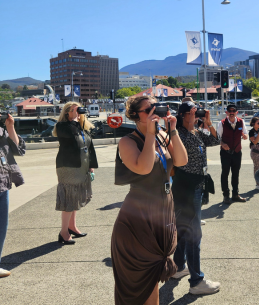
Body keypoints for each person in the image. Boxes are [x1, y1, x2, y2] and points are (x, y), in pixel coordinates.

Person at [111, 96, 188, 305]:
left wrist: (172, 129)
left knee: (153, 280)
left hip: (162, 209)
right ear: (136, 116)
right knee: (138, 287)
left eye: (157, 107)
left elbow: (181, 161)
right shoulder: (128, 141)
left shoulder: (163, 135)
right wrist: (151, 135)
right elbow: (144, 168)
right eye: (149, 109)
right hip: (137, 218)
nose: (155, 112)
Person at [171, 101, 221, 295]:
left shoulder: (197, 132)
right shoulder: (180, 134)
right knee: (194, 234)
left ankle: (177, 267)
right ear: (184, 115)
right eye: (193, 111)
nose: (197, 113)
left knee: (185, 230)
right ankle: (196, 281)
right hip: (187, 187)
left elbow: (216, 141)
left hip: (197, 185)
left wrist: (208, 122)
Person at [53, 102, 98, 245]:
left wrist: (91, 166)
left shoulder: (81, 127)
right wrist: (74, 118)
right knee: (69, 198)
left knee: (76, 196)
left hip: (81, 166)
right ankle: (63, 232)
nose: (79, 112)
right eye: (75, 110)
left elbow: (89, 147)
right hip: (68, 168)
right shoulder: (63, 127)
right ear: (67, 112)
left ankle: (72, 227)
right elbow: (71, 136)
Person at [0, 113, 25, 278]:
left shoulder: (2, 130)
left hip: (2, 181)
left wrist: (10, 126)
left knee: (2, 225)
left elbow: (18, 149)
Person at [217, 104, 248, 204]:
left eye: (233, 111)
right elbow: (217, 138)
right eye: (229, 111)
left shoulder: (241, 122)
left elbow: (246, 134)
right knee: (225, 174)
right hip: (225, 152)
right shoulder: (221, 123)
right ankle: (226, 195)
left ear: (236, 112)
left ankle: (235, 194)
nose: (231, 113)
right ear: (226, 112)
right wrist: (222, 143)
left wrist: (245, 135)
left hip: (237, 152)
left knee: (236, 173)